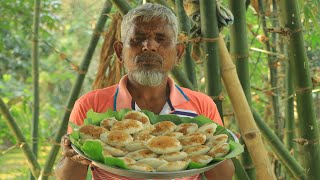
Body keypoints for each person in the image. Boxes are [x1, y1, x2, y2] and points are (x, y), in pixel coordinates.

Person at [55, 3, 235, 180]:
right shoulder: (91, 106)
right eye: (137, 38)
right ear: (119, 52)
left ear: (179, 53)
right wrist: (73, 153)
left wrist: (223, 145)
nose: (149, 46)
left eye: (161, 38)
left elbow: (220, 176)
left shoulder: (201, 105)